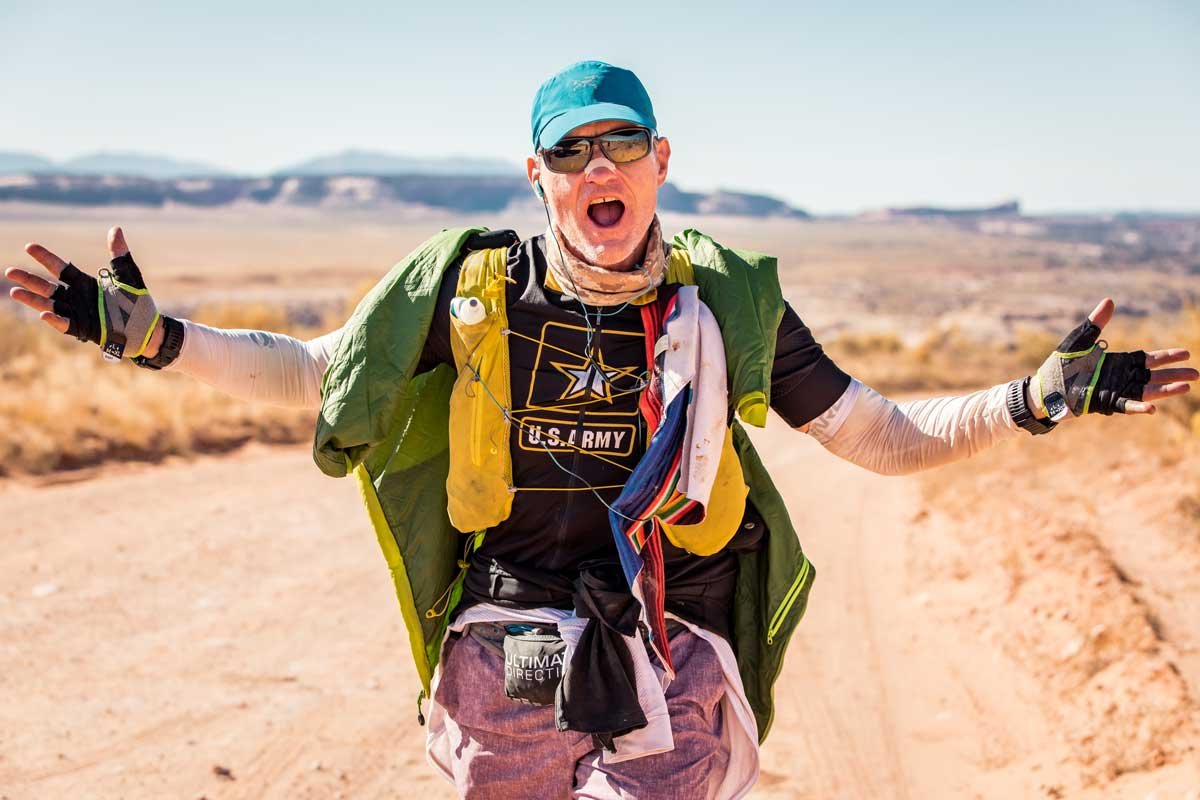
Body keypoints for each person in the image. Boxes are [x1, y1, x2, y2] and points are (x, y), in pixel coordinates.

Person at [6, 60, 1196, 800]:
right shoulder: (468, 285)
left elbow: (883, 434)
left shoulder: (724, 299)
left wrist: (1034, 398)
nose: (598, 165)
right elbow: (317, 375)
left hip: (672, 641)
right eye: (571, 149)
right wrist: (152, 338)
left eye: (621, 141)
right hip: (510, 639)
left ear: (660, 161)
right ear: (537, 173)